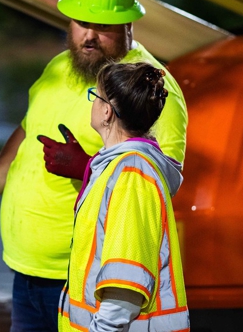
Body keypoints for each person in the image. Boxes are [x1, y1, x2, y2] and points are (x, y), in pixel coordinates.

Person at [0, 0, 188, 332]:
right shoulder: (58, 68)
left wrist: (85, 166)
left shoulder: (148, 89)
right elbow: (27, 131)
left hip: (84, 280)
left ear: (128, 25)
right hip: (27, 271)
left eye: (103, 26)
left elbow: (161, 181)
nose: (88, 36)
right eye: (81, 22)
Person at [58, 62, 189, 332]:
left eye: (96, 95)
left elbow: (124, 289)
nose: (92, 102)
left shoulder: (131, 174)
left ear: (106, 111)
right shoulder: (119, 167)